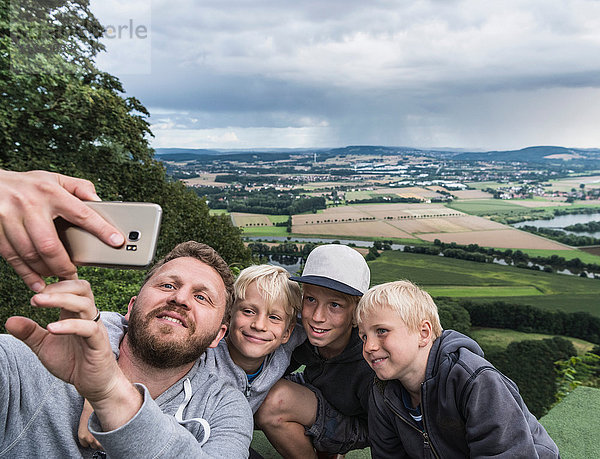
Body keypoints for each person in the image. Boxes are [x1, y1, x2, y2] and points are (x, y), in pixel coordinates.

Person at [0, 169, 253, 457]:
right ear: (131, 308)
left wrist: (111, 393)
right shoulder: (31, 362)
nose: (180, 298)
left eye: (201, 297)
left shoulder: (225, 408)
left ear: (218, 335)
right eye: (168, 284)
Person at [355, 280, 560, 458]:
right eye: (364, 336)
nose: (369, 346)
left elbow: (505, 453)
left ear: (423, 333)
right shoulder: (383, 393)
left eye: (382, 331)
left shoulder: (475, 380)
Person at [95, 264, 305, 414]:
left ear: (287, 332)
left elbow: (322, 325)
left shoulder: (286, 342)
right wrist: (100, 390)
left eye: (274, 317)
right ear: (228, 317)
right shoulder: (204, 347)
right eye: (248, 311)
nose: (259, 325)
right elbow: (112, 322)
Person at [255, 244, 374, 458]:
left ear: (357, 313)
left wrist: (333, 437)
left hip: (355, 423)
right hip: (316, 392)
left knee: (274, 403)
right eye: (310, 299)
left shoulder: (370, 357)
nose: (317, 317)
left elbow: (382, 428)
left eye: (335, 305)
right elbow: (269, 370)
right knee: (256, 393)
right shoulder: (300, 330)